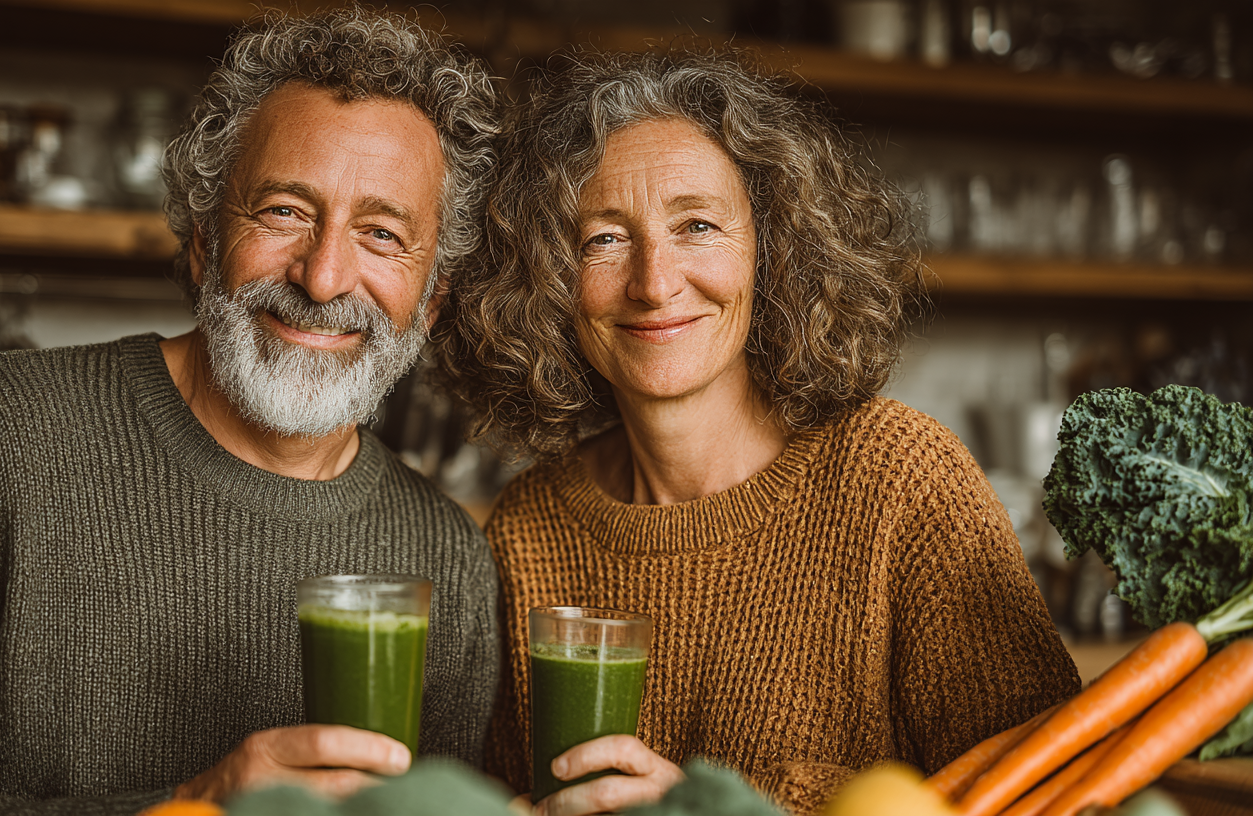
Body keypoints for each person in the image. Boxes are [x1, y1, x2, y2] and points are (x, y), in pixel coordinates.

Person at [0, 9, 501, 814]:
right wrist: (187, 805)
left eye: (380, 233)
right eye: (283, 212)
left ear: (434, 298)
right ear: (204, 239)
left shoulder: (445, 560)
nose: (324, 276)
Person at [435, 48, 1080, 816]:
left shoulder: (902, 482)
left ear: (773, 251)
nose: (654, 282)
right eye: (602, 239)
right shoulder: (530, 533)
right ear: (546, 278)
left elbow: (1054, 800)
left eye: (697, 226)